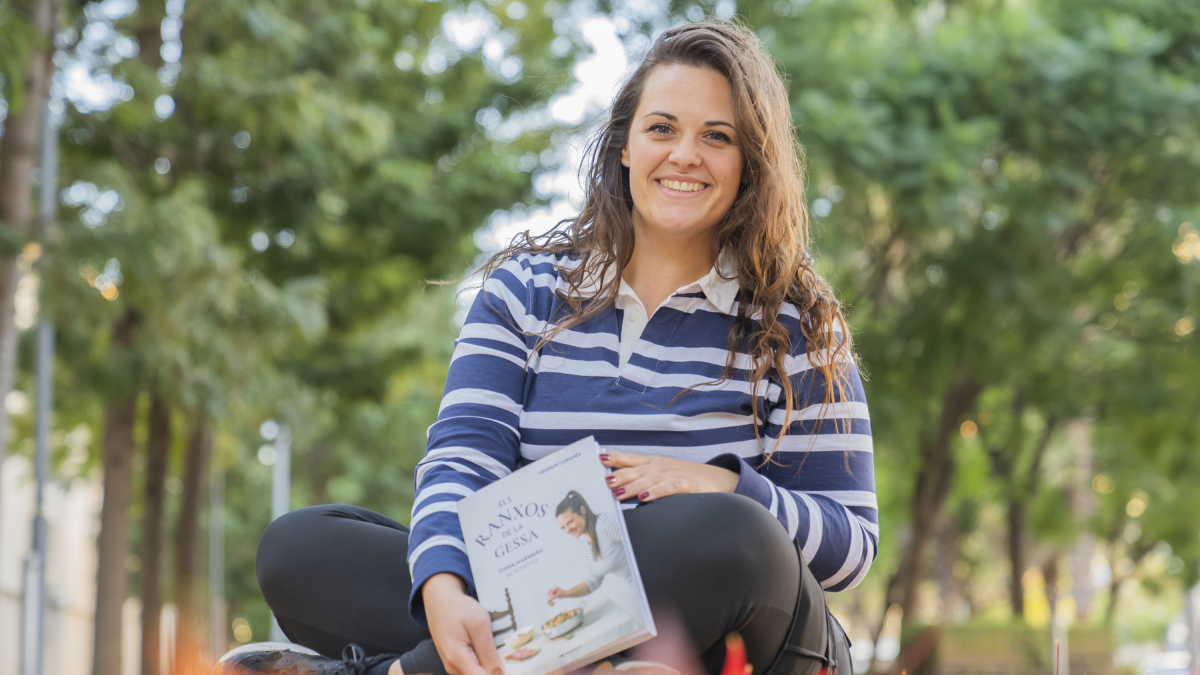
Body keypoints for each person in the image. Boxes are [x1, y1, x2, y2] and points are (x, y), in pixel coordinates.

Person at [223, 19, 875, 675]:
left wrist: (722, 484)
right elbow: (464, 454)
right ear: (624, 146)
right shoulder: (524, 290)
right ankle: (582, 666)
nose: (685, 154)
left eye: (718, 136)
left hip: (728, 626)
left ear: (749, 161)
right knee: (297, 548)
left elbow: (853, 545)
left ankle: (399, 671)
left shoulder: (800, 322)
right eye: (661, 128)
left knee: (737, 535)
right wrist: (443, 589)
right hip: (536, 586)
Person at [547, 491, 635, 603]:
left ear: (582, 510)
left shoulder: (606, 525)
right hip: (641, 589)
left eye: (569, 522)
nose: (567, 530)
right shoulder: (587, 548)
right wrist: (565, 593)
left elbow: (643, 537)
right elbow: (593, 582)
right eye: (563, 527)